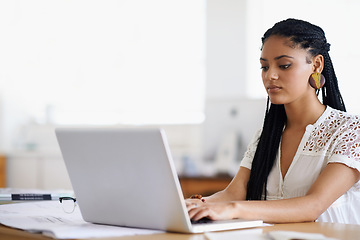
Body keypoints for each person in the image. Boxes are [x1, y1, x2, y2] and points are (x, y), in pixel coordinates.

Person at [186, 18, 360, 224]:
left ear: (316, 64)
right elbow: (234, 193)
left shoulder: (349, 131)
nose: (271, 76)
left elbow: (312, 206)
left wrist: (232, 209)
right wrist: (196, 205)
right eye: (264, 67)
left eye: (284, 65)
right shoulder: (265, 136)